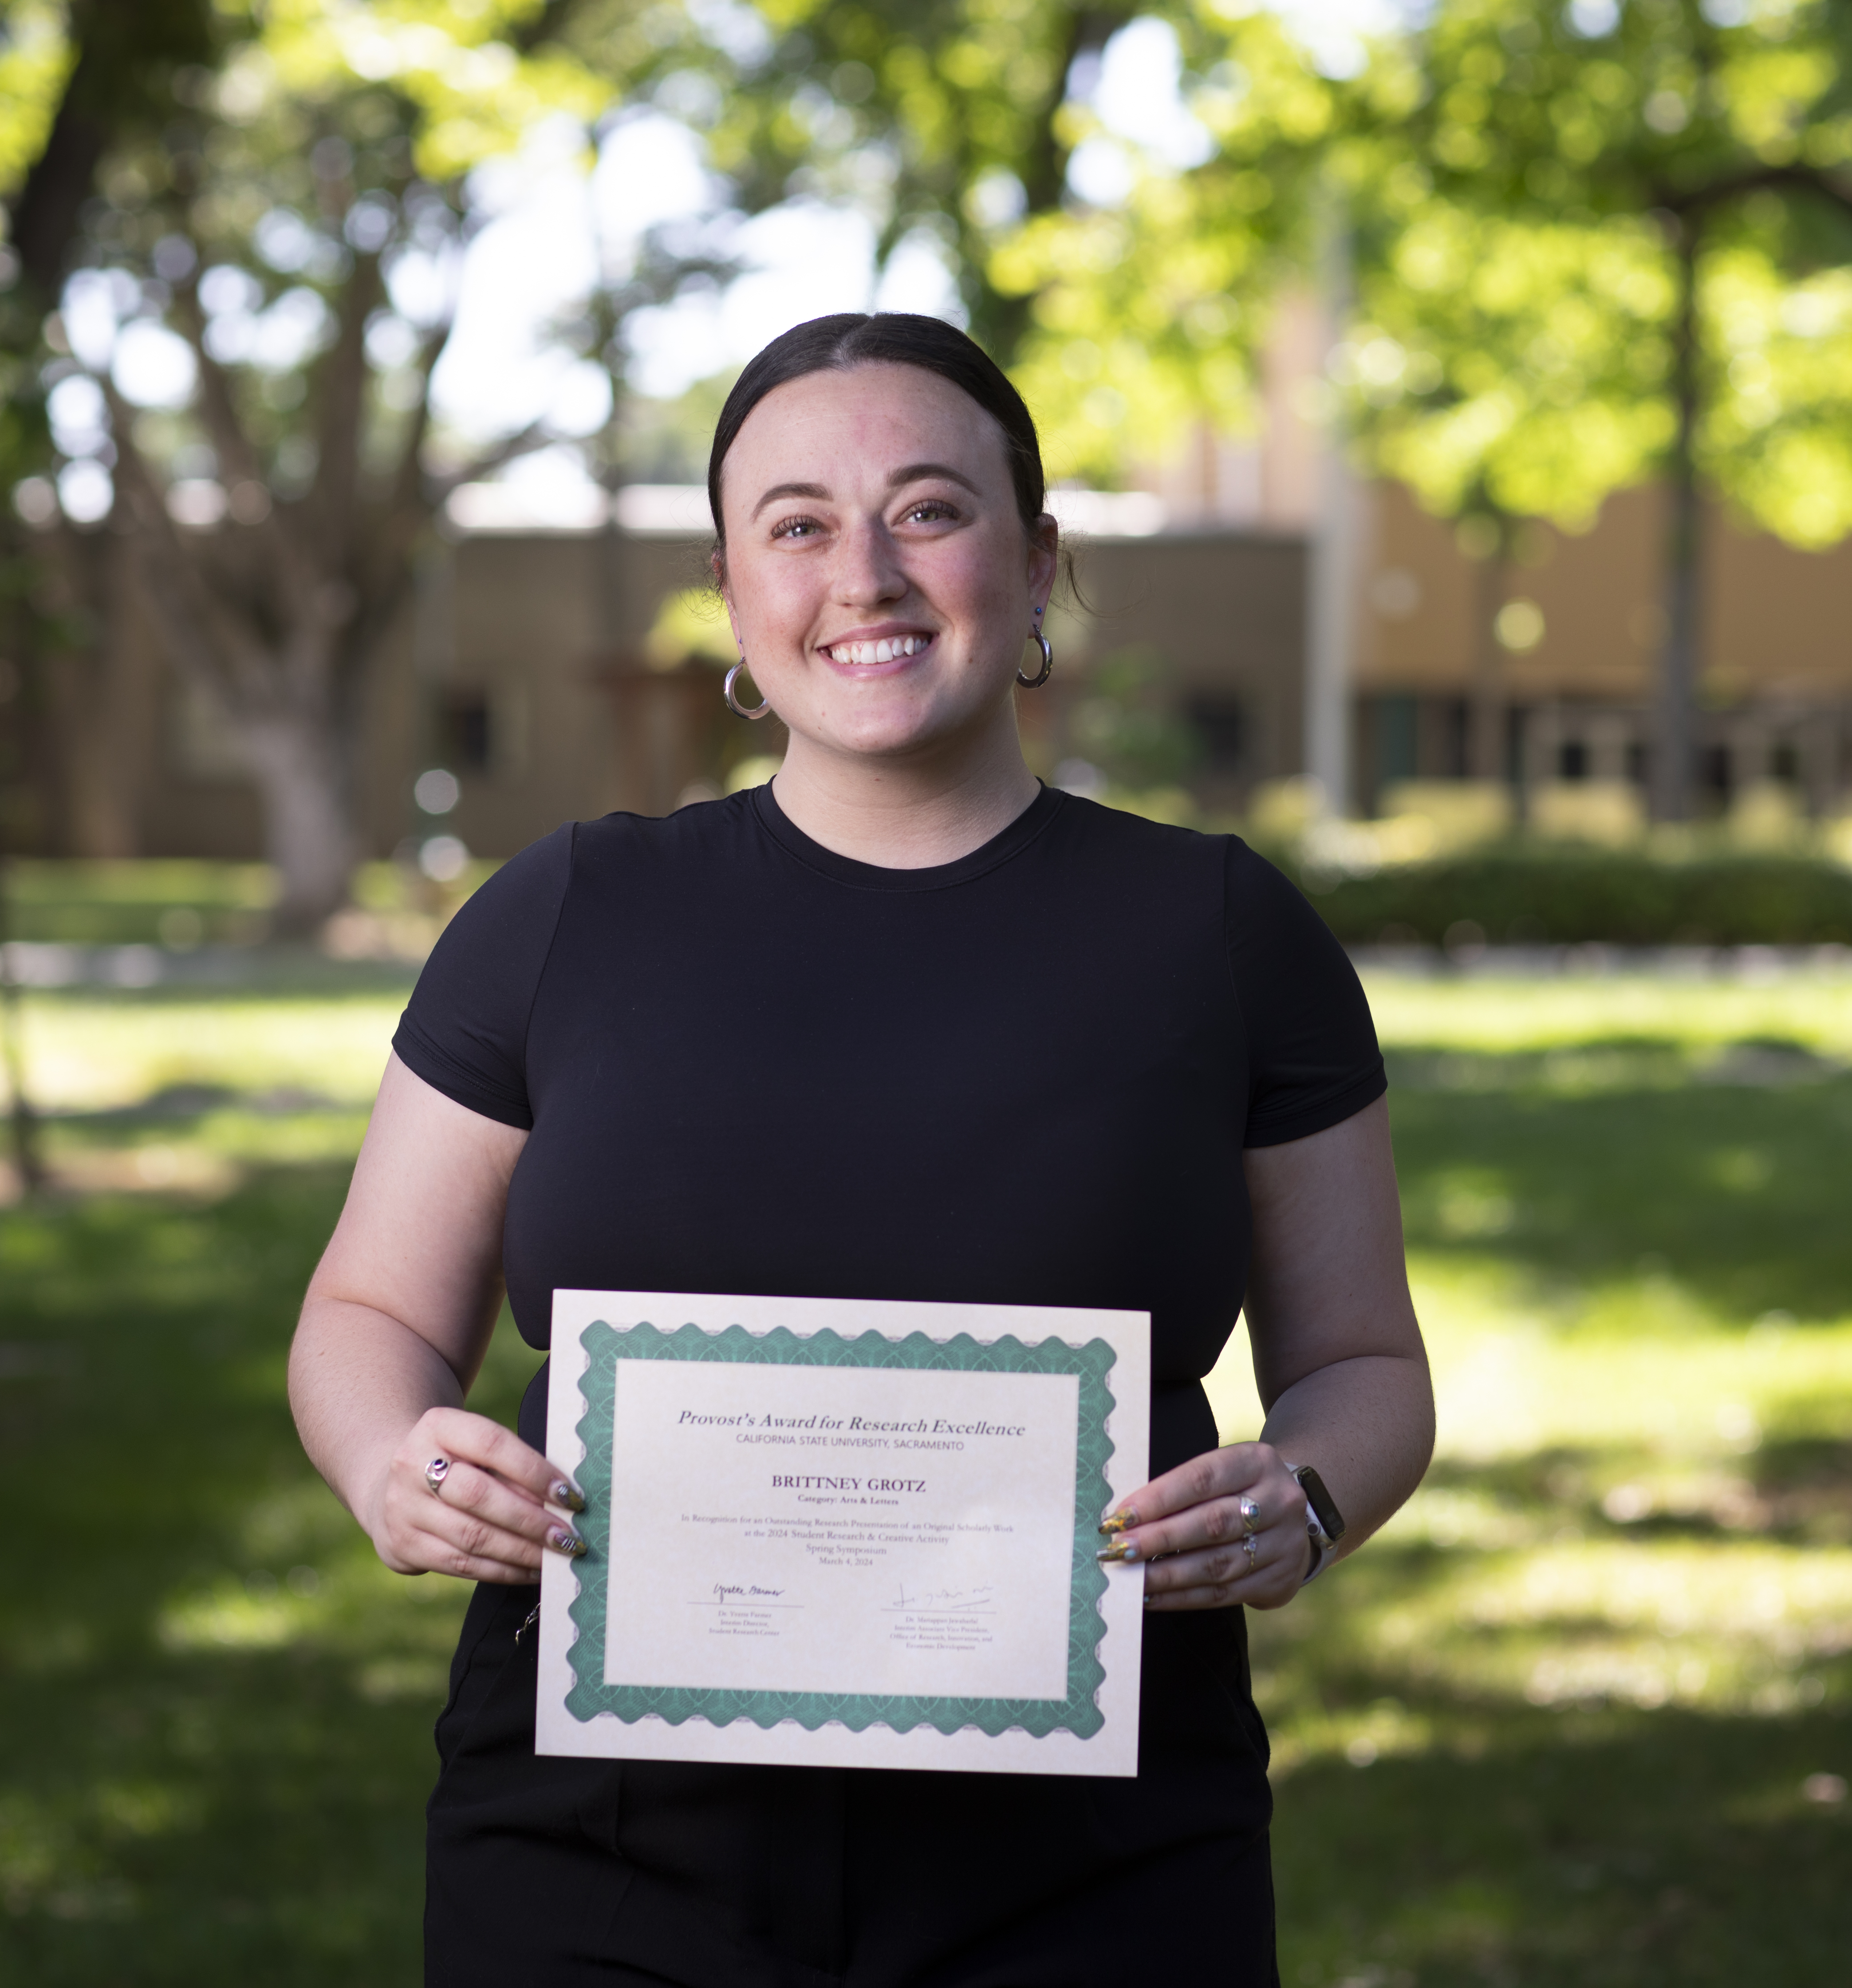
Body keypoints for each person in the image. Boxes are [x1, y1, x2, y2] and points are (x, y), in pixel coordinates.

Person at [289, 311, 1434, 1987]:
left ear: (1038, 559)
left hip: (1098, 1865)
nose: (866, 575)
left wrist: (1307, 1502)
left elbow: (1366, 1361)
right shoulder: (565, 914)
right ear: (733, 585)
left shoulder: (1222, 934)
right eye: (801, 525)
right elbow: (367, 1318)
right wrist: (392, 1463)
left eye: (930, 510)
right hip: (602, 1854)